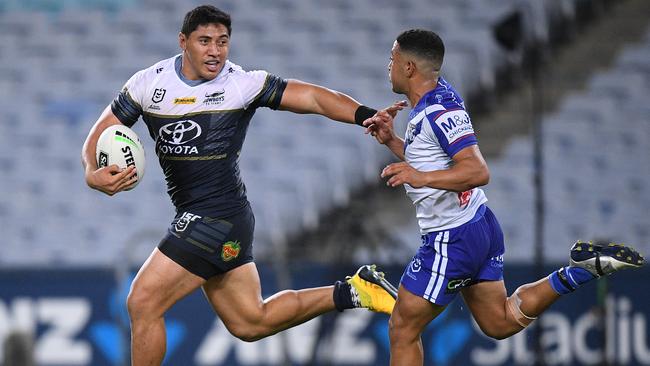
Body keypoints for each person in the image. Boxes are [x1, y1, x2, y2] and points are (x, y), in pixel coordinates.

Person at [81, 5, 399, 365]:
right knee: (250, 321)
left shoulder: (241, 84)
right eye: (205, 41)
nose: (215, 51)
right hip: (216, 217)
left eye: (222, 42)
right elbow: (99, 135)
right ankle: (355, 291)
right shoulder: (148, 83)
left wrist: (365, 115)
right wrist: (93, 173)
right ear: (183, 42)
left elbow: (311, 97)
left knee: (142, 300)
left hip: (216, 217)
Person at [363, 29, 646, 366]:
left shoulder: (438, 112)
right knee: (499, 322)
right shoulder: (438, 99)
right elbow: (433, 159)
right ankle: (579, 272)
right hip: (477, 225)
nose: (388, 65)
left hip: (452, 238)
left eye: (392, 58)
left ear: (409, 67)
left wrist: (420, 177)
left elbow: (477, 171)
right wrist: (393, 143)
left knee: (402, 327)